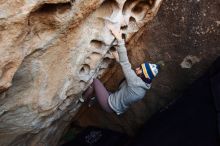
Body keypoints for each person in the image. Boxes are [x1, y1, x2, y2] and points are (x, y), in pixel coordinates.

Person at [81, 25, 160, 115]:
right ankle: (92, 100)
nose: (137, 68)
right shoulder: (143, 87)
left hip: (109, 104)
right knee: (102, 90)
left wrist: (119, 39)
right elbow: (128, 71)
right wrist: (119, 59)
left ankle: (82, 99)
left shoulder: (135, 82)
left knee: (95, 82)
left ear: (144, 74)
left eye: (141, 69)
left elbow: (126, 63)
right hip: (117, 106)